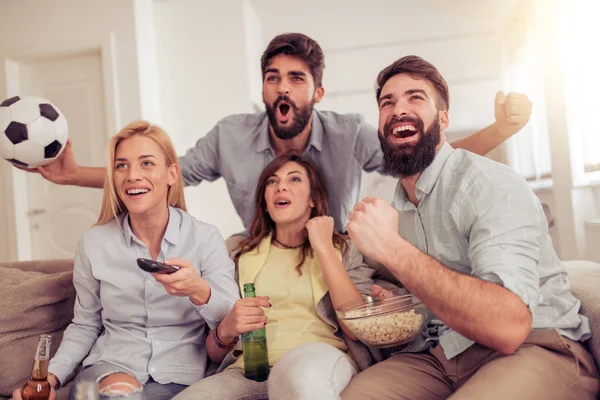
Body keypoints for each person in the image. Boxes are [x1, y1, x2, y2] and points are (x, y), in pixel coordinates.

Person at [20, 33, 532, 236]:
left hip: (333, 256)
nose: (282, 89)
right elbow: (156, 176)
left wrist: (501, 130)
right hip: (261, 255)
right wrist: (68, 177)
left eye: (296, 79)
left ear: (318, 92)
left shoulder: (350, 131)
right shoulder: (229, 136)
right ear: (263, 90)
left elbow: (428, 157)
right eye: (273, 78)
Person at [342, 55, 599, 399]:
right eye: (387, 102)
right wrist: (406, 302)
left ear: (443, 119)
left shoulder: (488, 184)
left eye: (415, 97)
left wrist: (393, 249)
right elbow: (444, 283)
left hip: (533, 345)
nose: (398, 109)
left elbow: (508, 327)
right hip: (442, 353)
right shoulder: (401, 204)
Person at [12, 121, 239, 400]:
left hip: (179, 377)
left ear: (172, 174)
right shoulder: (94, 243)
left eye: (146, 163)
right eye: (121, 166)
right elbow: (85, 325)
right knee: (120, 394)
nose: (132, 175)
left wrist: (197, 289)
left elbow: (231, 319)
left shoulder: (205, 238)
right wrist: (53, 377)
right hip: (108, 370)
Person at [172, 152, 392, 400]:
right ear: (265, 202)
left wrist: (323, 247)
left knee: (297, 376)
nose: (281, 187)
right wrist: (227, 328)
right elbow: (213, 352)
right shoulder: (237, 254)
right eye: (272, 182)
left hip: (318, 359)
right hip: (247, 372)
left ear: (312, 199)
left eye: (295, 179)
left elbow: (356, 328)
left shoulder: (343, 249)